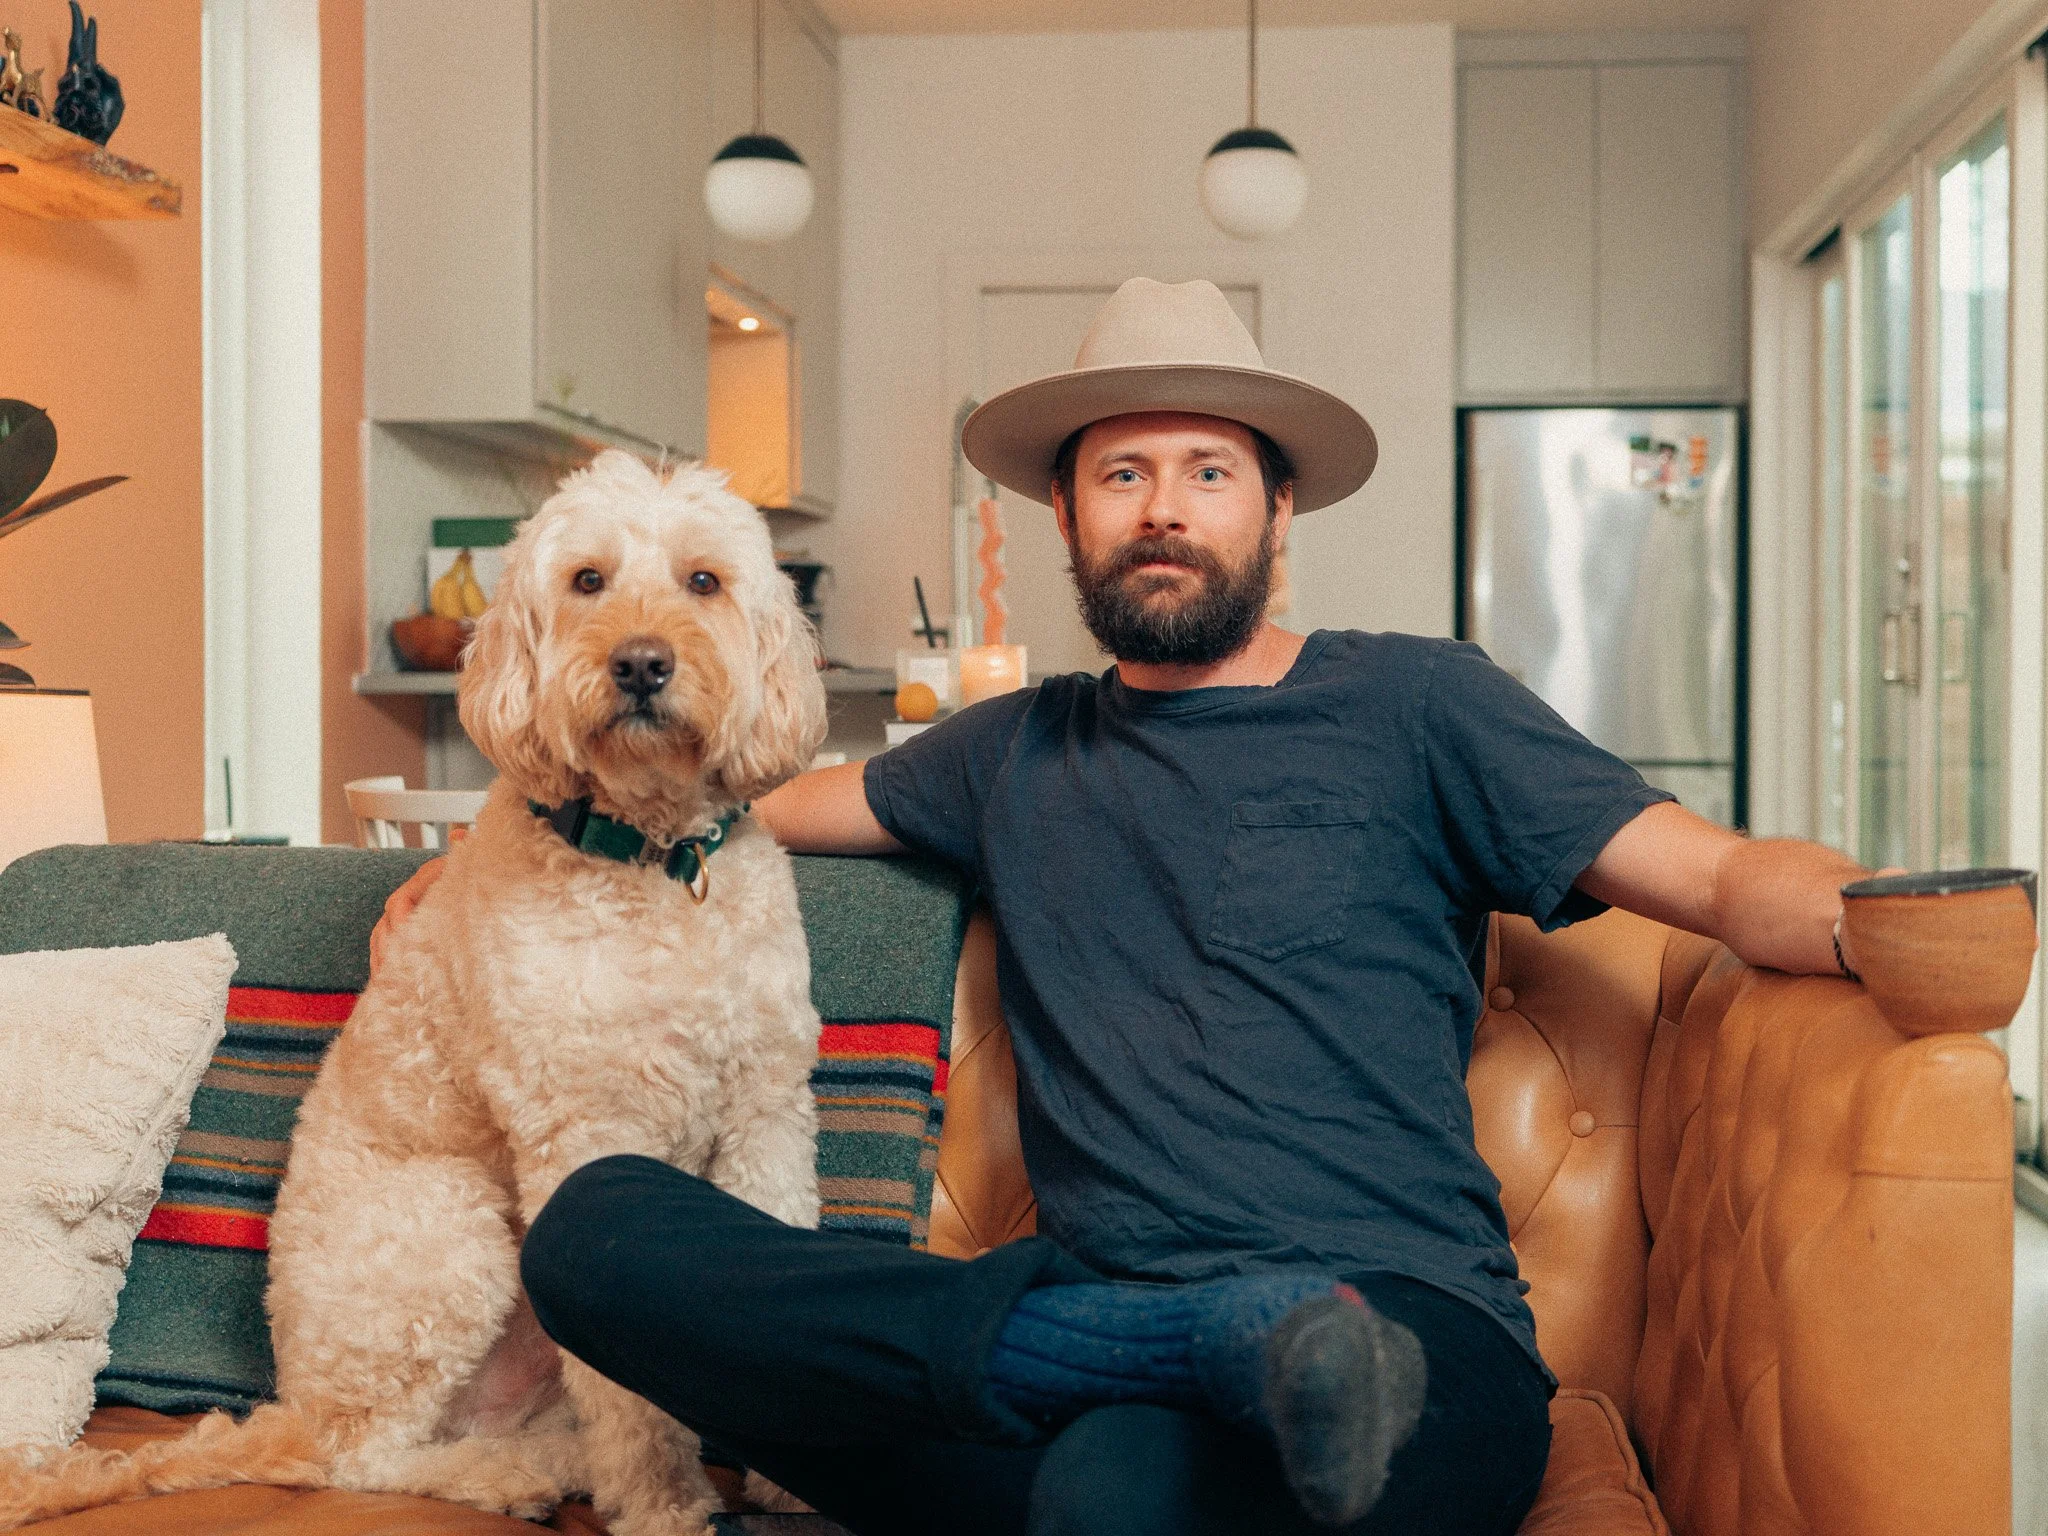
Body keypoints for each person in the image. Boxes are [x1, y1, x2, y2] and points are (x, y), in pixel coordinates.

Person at [372, 279, 1878, 1536]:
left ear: (1279, 509)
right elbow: (711, 792)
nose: (1165, 511)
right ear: (1068, 518)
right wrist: (502, 852)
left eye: (1208, 473)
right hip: (1090, 1324)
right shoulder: (1012, 747)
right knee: (595, 1236)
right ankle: (1154, 1344)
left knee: (1111, 1490)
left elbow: (1726, 876)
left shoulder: (1420, 706)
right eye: (1122, 475)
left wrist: (1892, 926)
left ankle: (1159, 1367)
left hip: (1397, 1332)